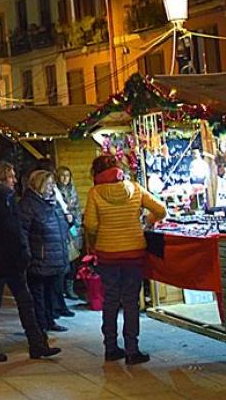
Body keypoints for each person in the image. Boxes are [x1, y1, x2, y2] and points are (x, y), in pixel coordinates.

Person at [0, 161, 60, 362]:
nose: (14, 180)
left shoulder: (10, 199)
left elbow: (16, 230)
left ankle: (37, 344)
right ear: (0, 179)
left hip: (15, 263)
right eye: (11, 177)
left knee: (26, 304)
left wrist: (23, 253)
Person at [85, 154, 167, 365]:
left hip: (107, 254)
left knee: (110, 300)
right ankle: (132, 350)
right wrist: (145, 222)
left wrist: (96, 241)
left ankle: (111, 348)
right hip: (133, 252)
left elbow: (91, 225)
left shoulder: (95, 193)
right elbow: (161, 210)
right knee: (131, 302)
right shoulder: (135, 188)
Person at [19, 170, 71, 334]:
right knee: (38, 295)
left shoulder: (52, 202)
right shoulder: (28, 204)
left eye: (52, 184)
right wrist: (28, 255)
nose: (52, 188)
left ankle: (49, 320)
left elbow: (61, 225)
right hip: (39, 256)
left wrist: (70, 221)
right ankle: (40, 326)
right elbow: (23, 232)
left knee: (50, 293)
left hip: (53, 255)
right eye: (49, 184)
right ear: (39, 184)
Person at [56, 166, 83, 300]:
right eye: (62, 176)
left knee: (74, 260)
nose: (65, 178)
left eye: (67, 175)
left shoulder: (73, 190)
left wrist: (76, 222)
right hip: (62, 228)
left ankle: (70, 287)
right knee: (63, 261)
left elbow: (77, 208)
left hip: (74, 229)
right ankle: (61, 289)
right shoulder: (55, 192)